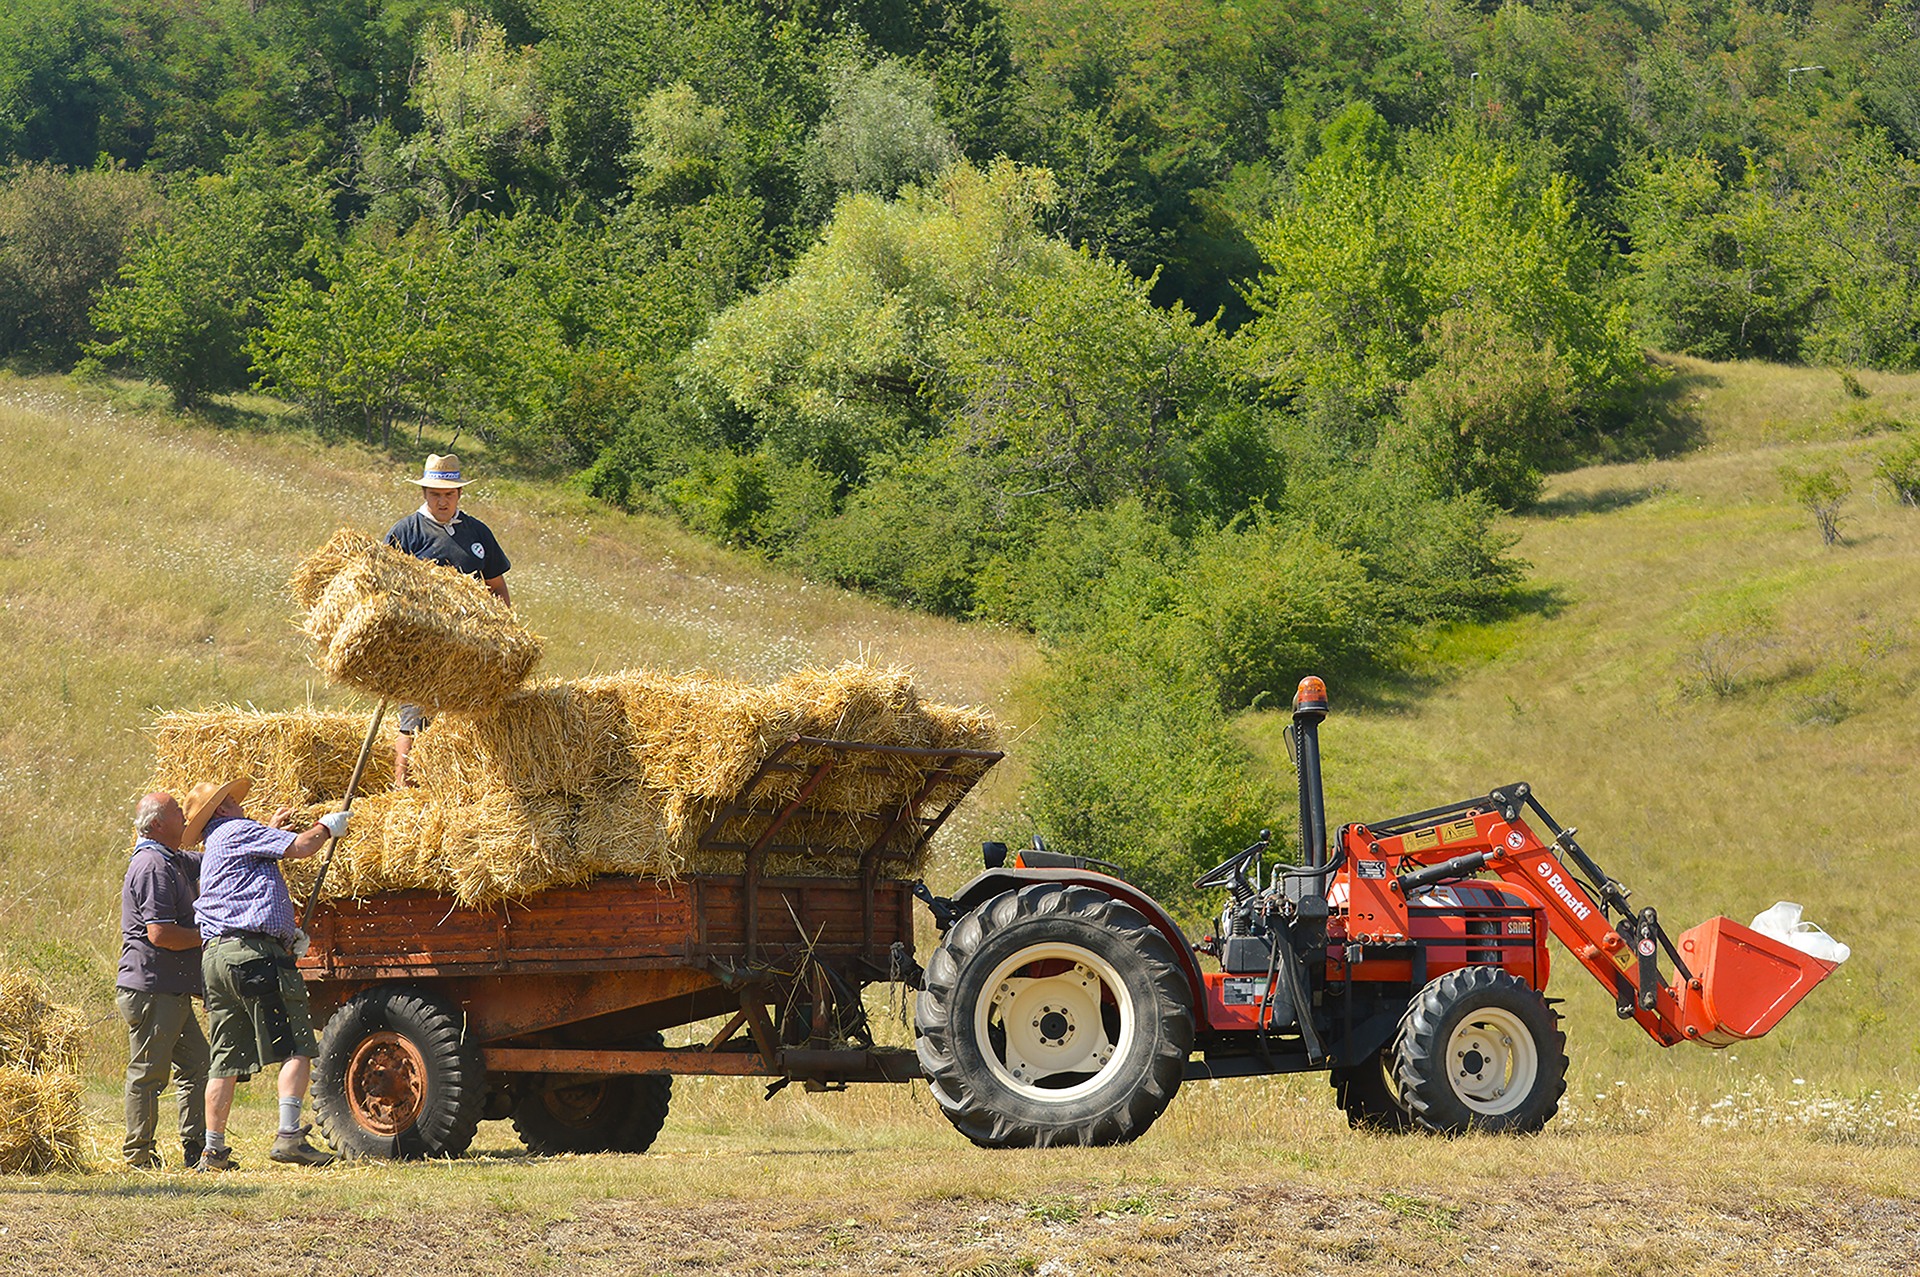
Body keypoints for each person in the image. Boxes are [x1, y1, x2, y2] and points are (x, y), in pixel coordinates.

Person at [182, 776, 349, 1170]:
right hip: (253, 955)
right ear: (221, 810)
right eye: (231, 802)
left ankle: (213, 1150)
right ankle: (289, 1137)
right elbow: (302, 848)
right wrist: (327, 826)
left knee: (224, 1058)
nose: (240, 805)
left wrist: (286, 933)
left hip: (216, 958)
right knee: (297, 1044)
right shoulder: (239, 830)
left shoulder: (216, 847)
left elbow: (257, 866)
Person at [385, 453, 512, 787]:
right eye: (435, 494)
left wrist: (502, 630)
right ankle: (403, 786)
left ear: (459, 495)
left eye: (449, 494)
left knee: (464, 716)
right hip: (419, 644)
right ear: (425, 494)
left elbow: (496, 587)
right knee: (414, 715)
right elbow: (384, 588)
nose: (442, 501)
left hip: (468, 642)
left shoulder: (477, 532)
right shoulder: (405, 532)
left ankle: (460, 784)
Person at [116, 791, 210, 1170]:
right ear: (157, 825)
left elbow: (212, 861)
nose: (185, 816)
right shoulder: (153, 865)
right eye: (176, 812)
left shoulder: (170, 859)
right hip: (153, 987)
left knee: (198, 1063)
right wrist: (209, 934)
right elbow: (160, 934)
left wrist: (265, 835)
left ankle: (197, 1147)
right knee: (149, 1073)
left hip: (167, 988)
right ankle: (137, 1155)